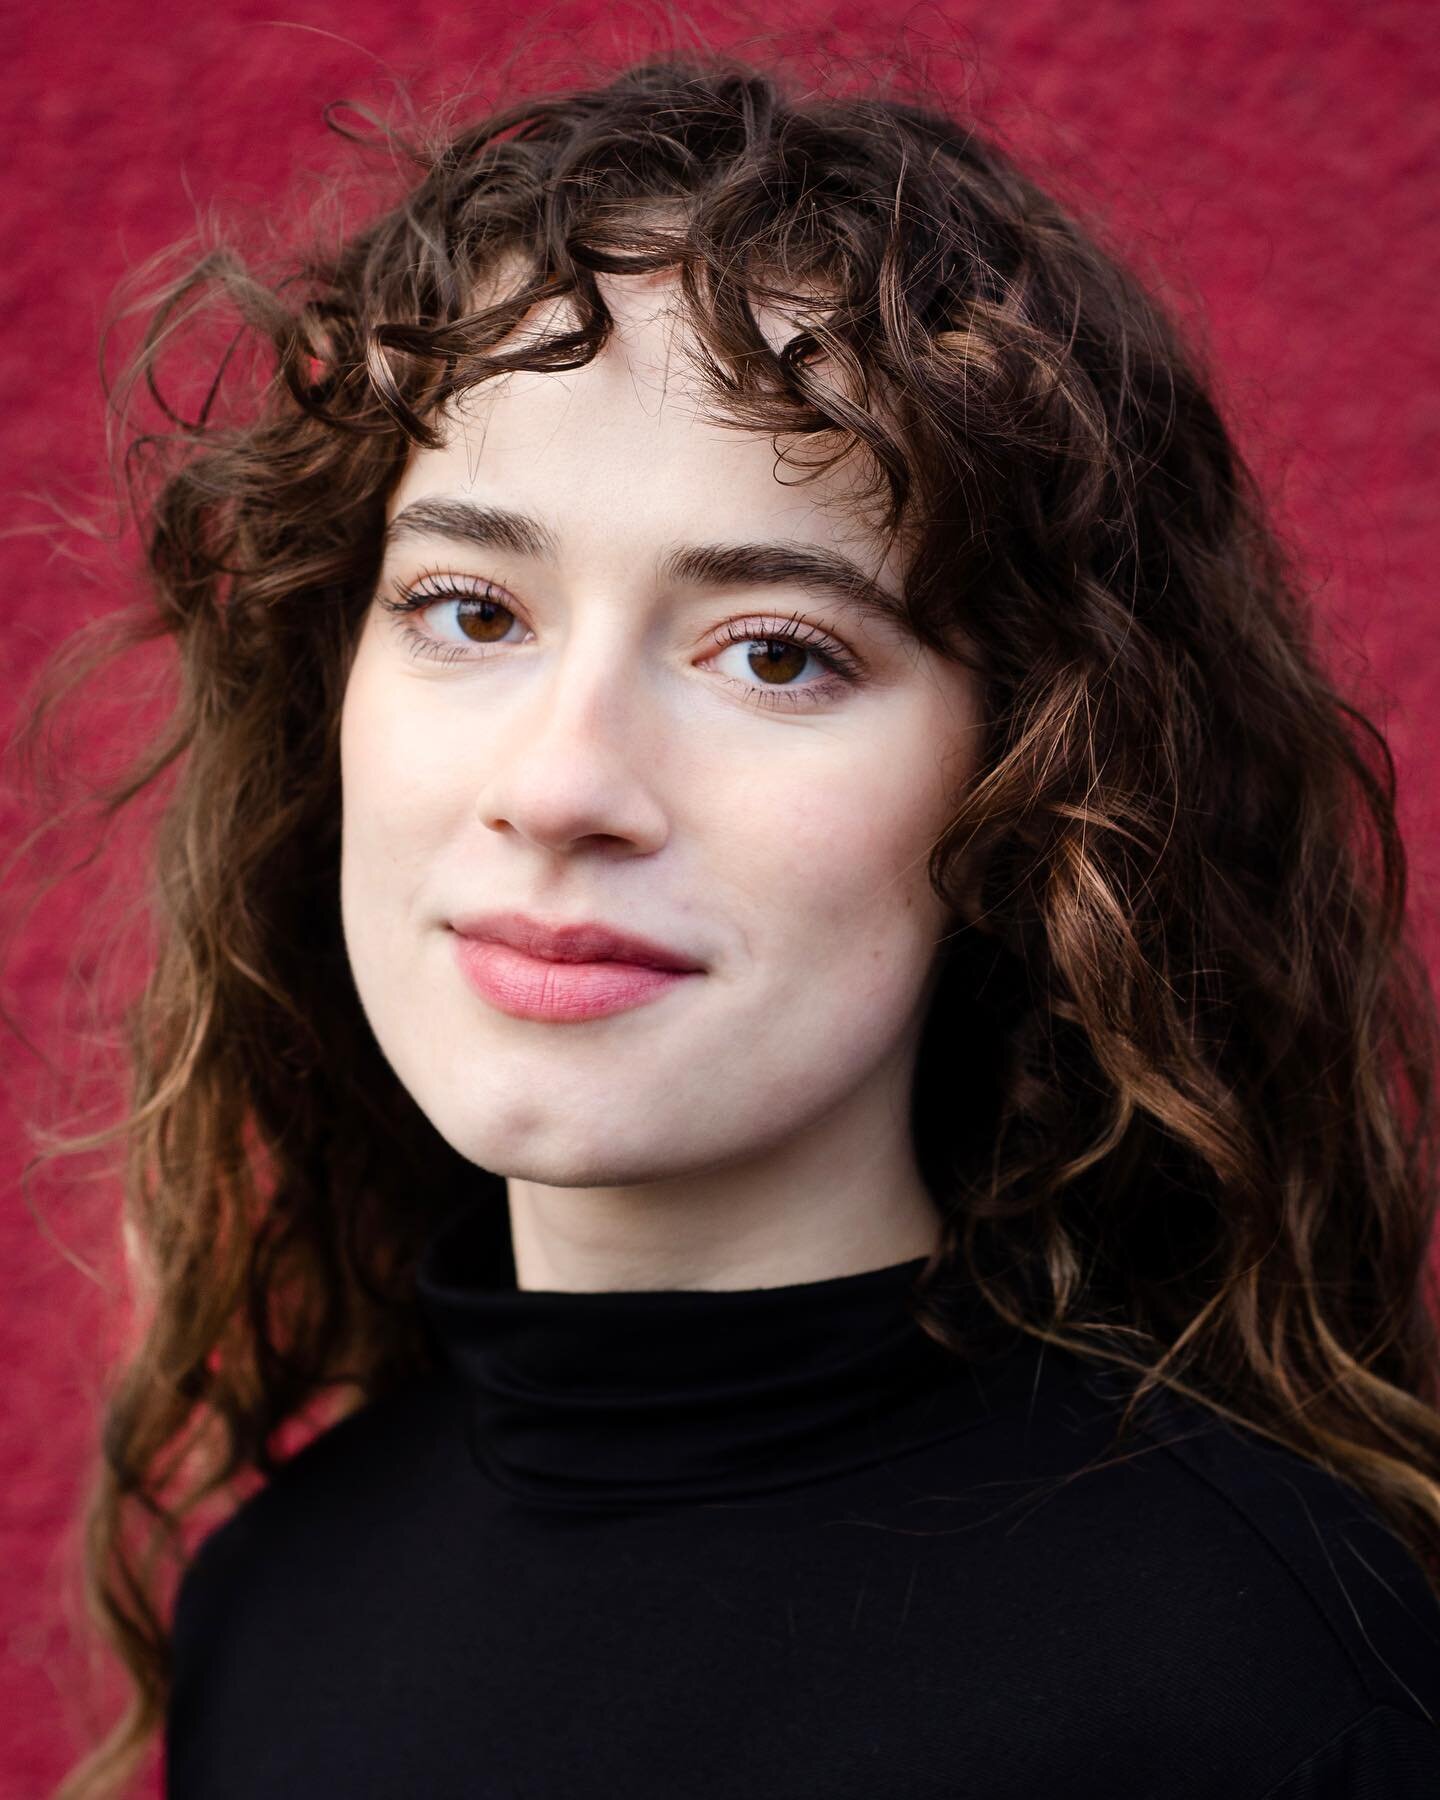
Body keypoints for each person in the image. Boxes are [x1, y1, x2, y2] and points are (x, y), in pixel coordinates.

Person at [23, 48, 1440, 1800]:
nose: (561, 784)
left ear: (1037, 794)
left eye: (776, 650)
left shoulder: (1262, 1674)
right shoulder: (275, 1604)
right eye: (470, 607)